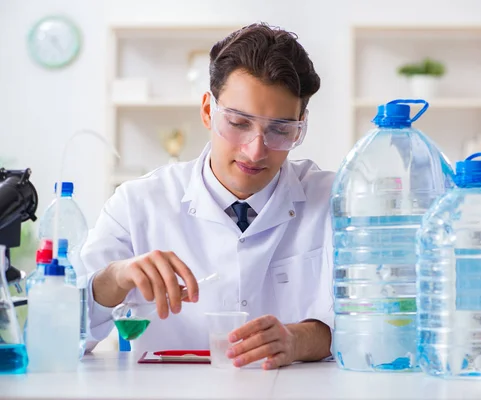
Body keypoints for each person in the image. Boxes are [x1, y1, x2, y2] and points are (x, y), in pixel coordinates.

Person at [82, 22, 335, 370]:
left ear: (300, 126)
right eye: (239, 123)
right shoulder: (137, 204)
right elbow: (62, 336)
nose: (255, 150)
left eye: (280, 129)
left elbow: (372, 325)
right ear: (207, 111)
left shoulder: (337, 201)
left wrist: (296, 340)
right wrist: (114, 278)